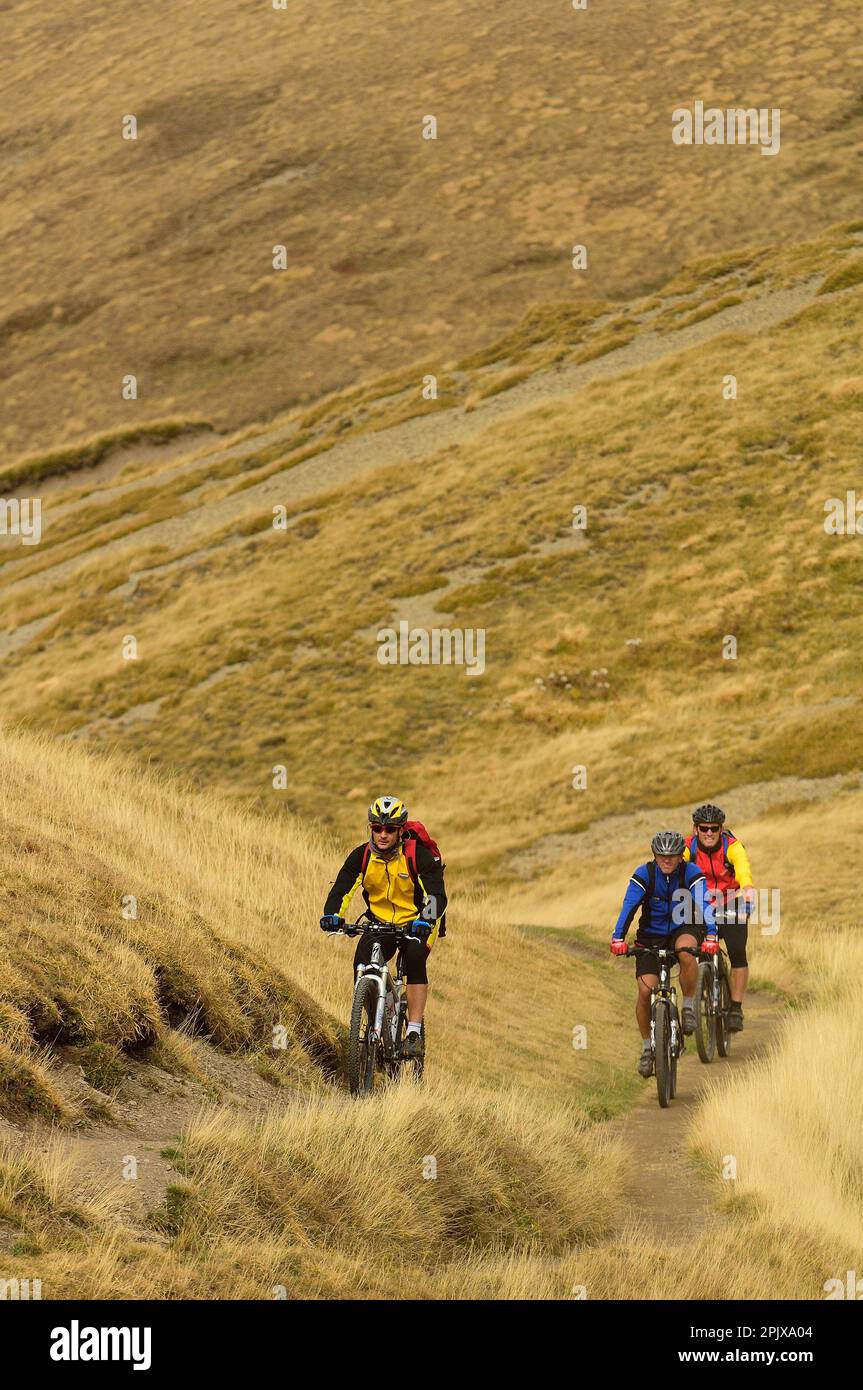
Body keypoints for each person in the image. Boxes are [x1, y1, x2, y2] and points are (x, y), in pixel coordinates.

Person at [319, 796, 446, 1059]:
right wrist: (332, 915)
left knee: (414, 958)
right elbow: (342, 887)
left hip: (417, 922)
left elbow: (436, 896)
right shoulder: (362, 856)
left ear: (400, 830)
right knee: (362, 960)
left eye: (389, 829)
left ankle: (412, 1030)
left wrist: (427, 920)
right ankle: (376, 1019)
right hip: (380, 922)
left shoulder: (416, 856)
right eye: (377, 828)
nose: (383, 834)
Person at [610, 830, 717, 1076]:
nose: (667, 860)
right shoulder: (644, 874)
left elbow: (703, 902)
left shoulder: (690, 873)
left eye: (672, 855)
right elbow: (629, 906)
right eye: (662, 855)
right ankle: (648, 1048)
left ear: (681, 856)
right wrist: (617, 937)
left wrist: (711, 934)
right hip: (651, 935)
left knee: (686, 952)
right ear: (655, 856)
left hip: (684, 927)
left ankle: (688, 1006)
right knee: (645, 990)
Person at [684, 803, 755, 1033]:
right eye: (703, 828)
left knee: (737, 951)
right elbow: (674, 868)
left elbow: (743, 869)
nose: (709, 833)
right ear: (695, 829)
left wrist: (749, 892)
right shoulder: (688, 847)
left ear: (721, 828)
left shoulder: (732, 847)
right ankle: (699, 989)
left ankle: (735, 1007)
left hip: (730, 901)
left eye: (714, 828)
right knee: (692, 949)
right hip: (700, 904)